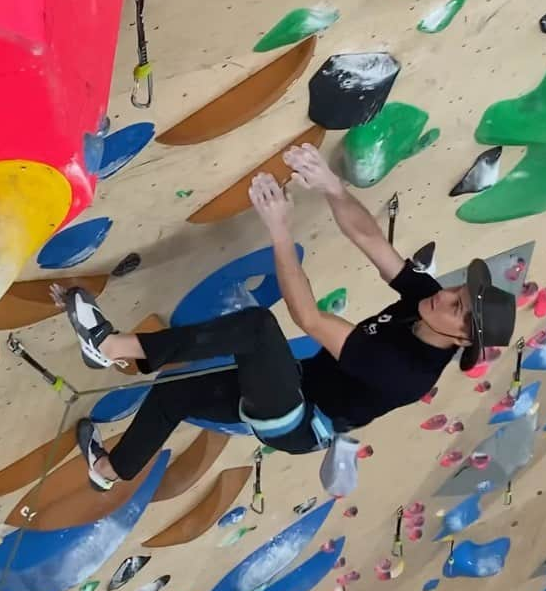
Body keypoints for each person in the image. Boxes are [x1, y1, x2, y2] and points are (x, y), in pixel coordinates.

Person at [53, 143, 516, 491]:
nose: (447, 297)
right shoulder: (427, 301)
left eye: (458, 308)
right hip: (293, 383)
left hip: (297, 420)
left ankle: (110, 346)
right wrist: (333, 186)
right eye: (459, 289)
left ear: (461, 340)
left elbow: (309, 319)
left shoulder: (407, 375)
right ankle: (107, 471)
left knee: (256, 328)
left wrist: (278, 229)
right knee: (173, 396)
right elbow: (374, 242)